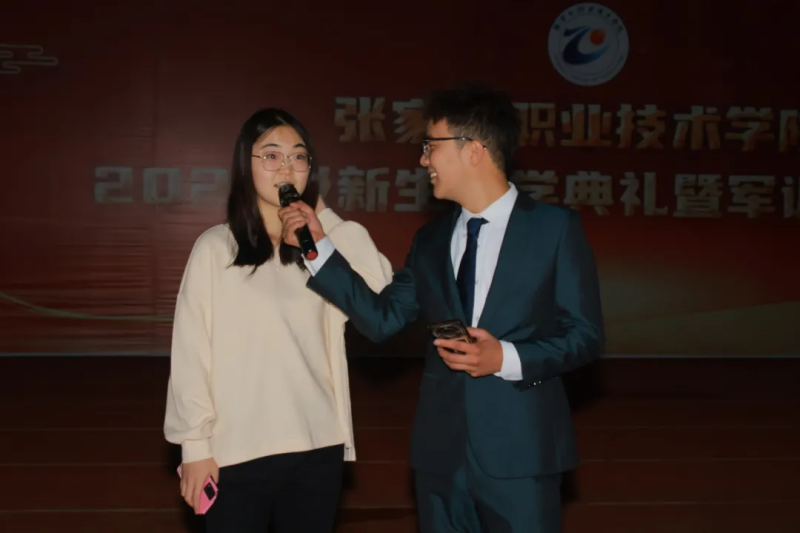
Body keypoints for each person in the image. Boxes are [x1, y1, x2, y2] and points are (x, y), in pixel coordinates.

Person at [279, 83, 605, 532]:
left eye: (431, 146)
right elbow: (381, 319)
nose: (423, 160)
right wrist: (318, 250)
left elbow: (585, 335)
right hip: (440, 460)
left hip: (521, 456)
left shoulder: (555, 229)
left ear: (474, 150)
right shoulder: (430, 241)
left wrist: (505, 357)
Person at [163, 108, 393, 532]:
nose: (287, 167)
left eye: (298, 157)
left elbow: (380, 294)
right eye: (271, 156)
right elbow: (191, 354)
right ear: (245, 166)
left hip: (317, 446)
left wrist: (321, 219)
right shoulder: (216, 248)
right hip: (235, 453)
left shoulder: (319, 254)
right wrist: (194, 446)